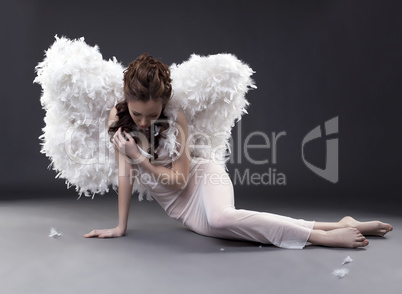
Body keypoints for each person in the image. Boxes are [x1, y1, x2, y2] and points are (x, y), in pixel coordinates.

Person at [83, 54, 393, 249]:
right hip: (179, 209)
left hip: (201, 180)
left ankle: (322, 237)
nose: (145, 121)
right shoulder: (118, 118)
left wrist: (139, 158)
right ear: (126, 100)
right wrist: (120, 227)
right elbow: (125, 175)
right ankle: (341, 224)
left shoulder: (176, 120)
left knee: (222, 219)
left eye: (153, 113)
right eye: (138, 114)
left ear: (164, 102)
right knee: (228, 226)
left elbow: (179, 180)